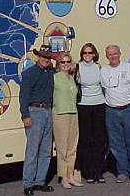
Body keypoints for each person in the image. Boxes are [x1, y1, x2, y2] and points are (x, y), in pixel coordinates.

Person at [100, 45, 130, 185]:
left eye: (115, 53)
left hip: (129, 109)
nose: (113, 56)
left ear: (120, 54)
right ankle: (122, 172)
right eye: (110, 54)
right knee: (116, 144)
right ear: (107, 56)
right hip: (111, 111)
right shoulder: (103, 71)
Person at [19, 45, 55, 196]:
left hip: (48, 111)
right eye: (43, 56)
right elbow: (23, 97)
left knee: (46, 150)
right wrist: (25, 115)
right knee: (32, 151)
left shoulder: (52, 72)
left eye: (48, 57)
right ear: (37, 57)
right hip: (34, 112)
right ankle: (28, 183)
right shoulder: (29, 74)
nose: (45, 59)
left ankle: (40, 181)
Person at [76, 43, 106, 183]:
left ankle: (99, 172)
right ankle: (87, 172)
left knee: (99, 140)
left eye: (90, 53)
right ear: (82, 55)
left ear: (94, 54)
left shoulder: (99, 67)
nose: (87, 55)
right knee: (85, 140)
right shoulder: (77, 67)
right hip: (83, 106)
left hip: (99, 104)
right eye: (84, 53)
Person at [52, 52, 83, 189]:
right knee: (62, 148)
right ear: (58, 64)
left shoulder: (71, 78)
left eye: (67, 62)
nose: (65, 65)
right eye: (62, 62)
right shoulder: (54, 78)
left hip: (73, 113)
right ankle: (63, 176)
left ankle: (70, 175)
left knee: (72, 147)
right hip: (60, 114)